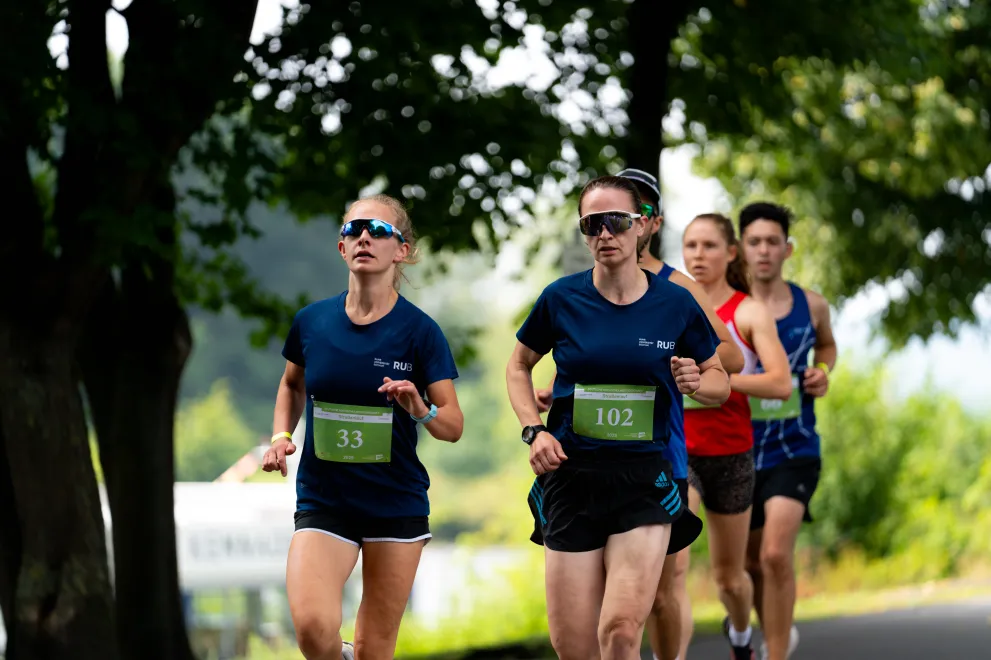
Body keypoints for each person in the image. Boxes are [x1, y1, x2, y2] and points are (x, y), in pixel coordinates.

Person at [507, 175, 730, 660]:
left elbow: (720, 380)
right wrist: (534, 431)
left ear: (640, 228)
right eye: (592, 224)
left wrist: (697, 381)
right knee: (573, 645)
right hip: (570, 478)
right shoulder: (561, 298)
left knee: (622, 629)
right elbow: (518, 365)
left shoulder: (675, 303)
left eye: (616, 222)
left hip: (643, 480)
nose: (604, 233)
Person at [263, 194, 465, 660]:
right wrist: (280, 436)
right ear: (341, 249)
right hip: (325, 500)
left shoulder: (420, 331)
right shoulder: (312, 322)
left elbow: (452, 425)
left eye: (378, 230)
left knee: (375, 651)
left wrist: (420, 407)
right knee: (314, 630)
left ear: (403, 250)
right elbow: (292, 384)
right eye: (353, 231)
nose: (365, 238)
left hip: (394, 503)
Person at [669, 213, 793, 660]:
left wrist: (713, 379)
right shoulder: (670, 305)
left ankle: (741, 637)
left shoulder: (747, 311)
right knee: (675, 563)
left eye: (709, 246)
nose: (698, 256)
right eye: (690, 246)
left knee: (729, 578)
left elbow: (780, 383)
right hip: (679, 453)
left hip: (731, 453)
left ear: (730, 253)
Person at [738, 202, 837, 660]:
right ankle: (773, 631)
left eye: (772, 242)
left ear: (787, 249)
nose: (763, 251)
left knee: (776, 555)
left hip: (795, 447)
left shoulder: (811, 303)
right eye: (754, 241)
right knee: (750, 564)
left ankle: (776, 654)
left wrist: (822, 370)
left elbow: (828, 346)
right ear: (741, 248)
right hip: (736, 451)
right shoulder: (725, 309)